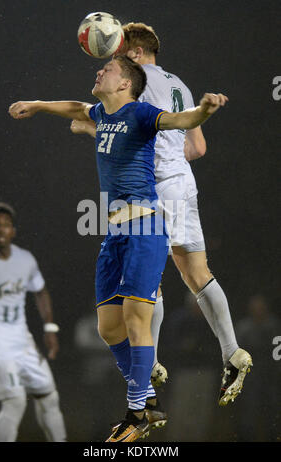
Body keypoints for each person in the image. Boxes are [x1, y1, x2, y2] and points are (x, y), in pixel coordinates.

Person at [9, 55, 228, 442]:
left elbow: (182, 120)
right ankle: (149, 400)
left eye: (107, 70)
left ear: (126, 83)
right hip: (114, 233)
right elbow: (77, 108)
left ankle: (136, 412)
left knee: (134, 319)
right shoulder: (103, 114)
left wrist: (205, 110)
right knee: (109, 329)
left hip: (145, 228)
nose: (99, 71)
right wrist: (39, 105)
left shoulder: (142, 114)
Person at [72, 23, 253, 407]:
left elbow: (126, 129)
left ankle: (149, 364)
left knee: (147, 276)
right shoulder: (179, 84)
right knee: (196, 273)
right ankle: (232, 352)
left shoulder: (138, 82)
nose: (114, 63)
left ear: (135, 54)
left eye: (119, 54)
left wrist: (92, 130)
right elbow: (197, 147)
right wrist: (168, 153)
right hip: (182, 182)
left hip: (155, 188)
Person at [0, 202, 66, 442]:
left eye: (6, 225)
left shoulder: (24, 259)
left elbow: (40, 290)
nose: (1, 230)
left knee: (50, 398)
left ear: (13, 231)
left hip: (22, 341)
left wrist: (49, 328)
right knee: (15, 402)